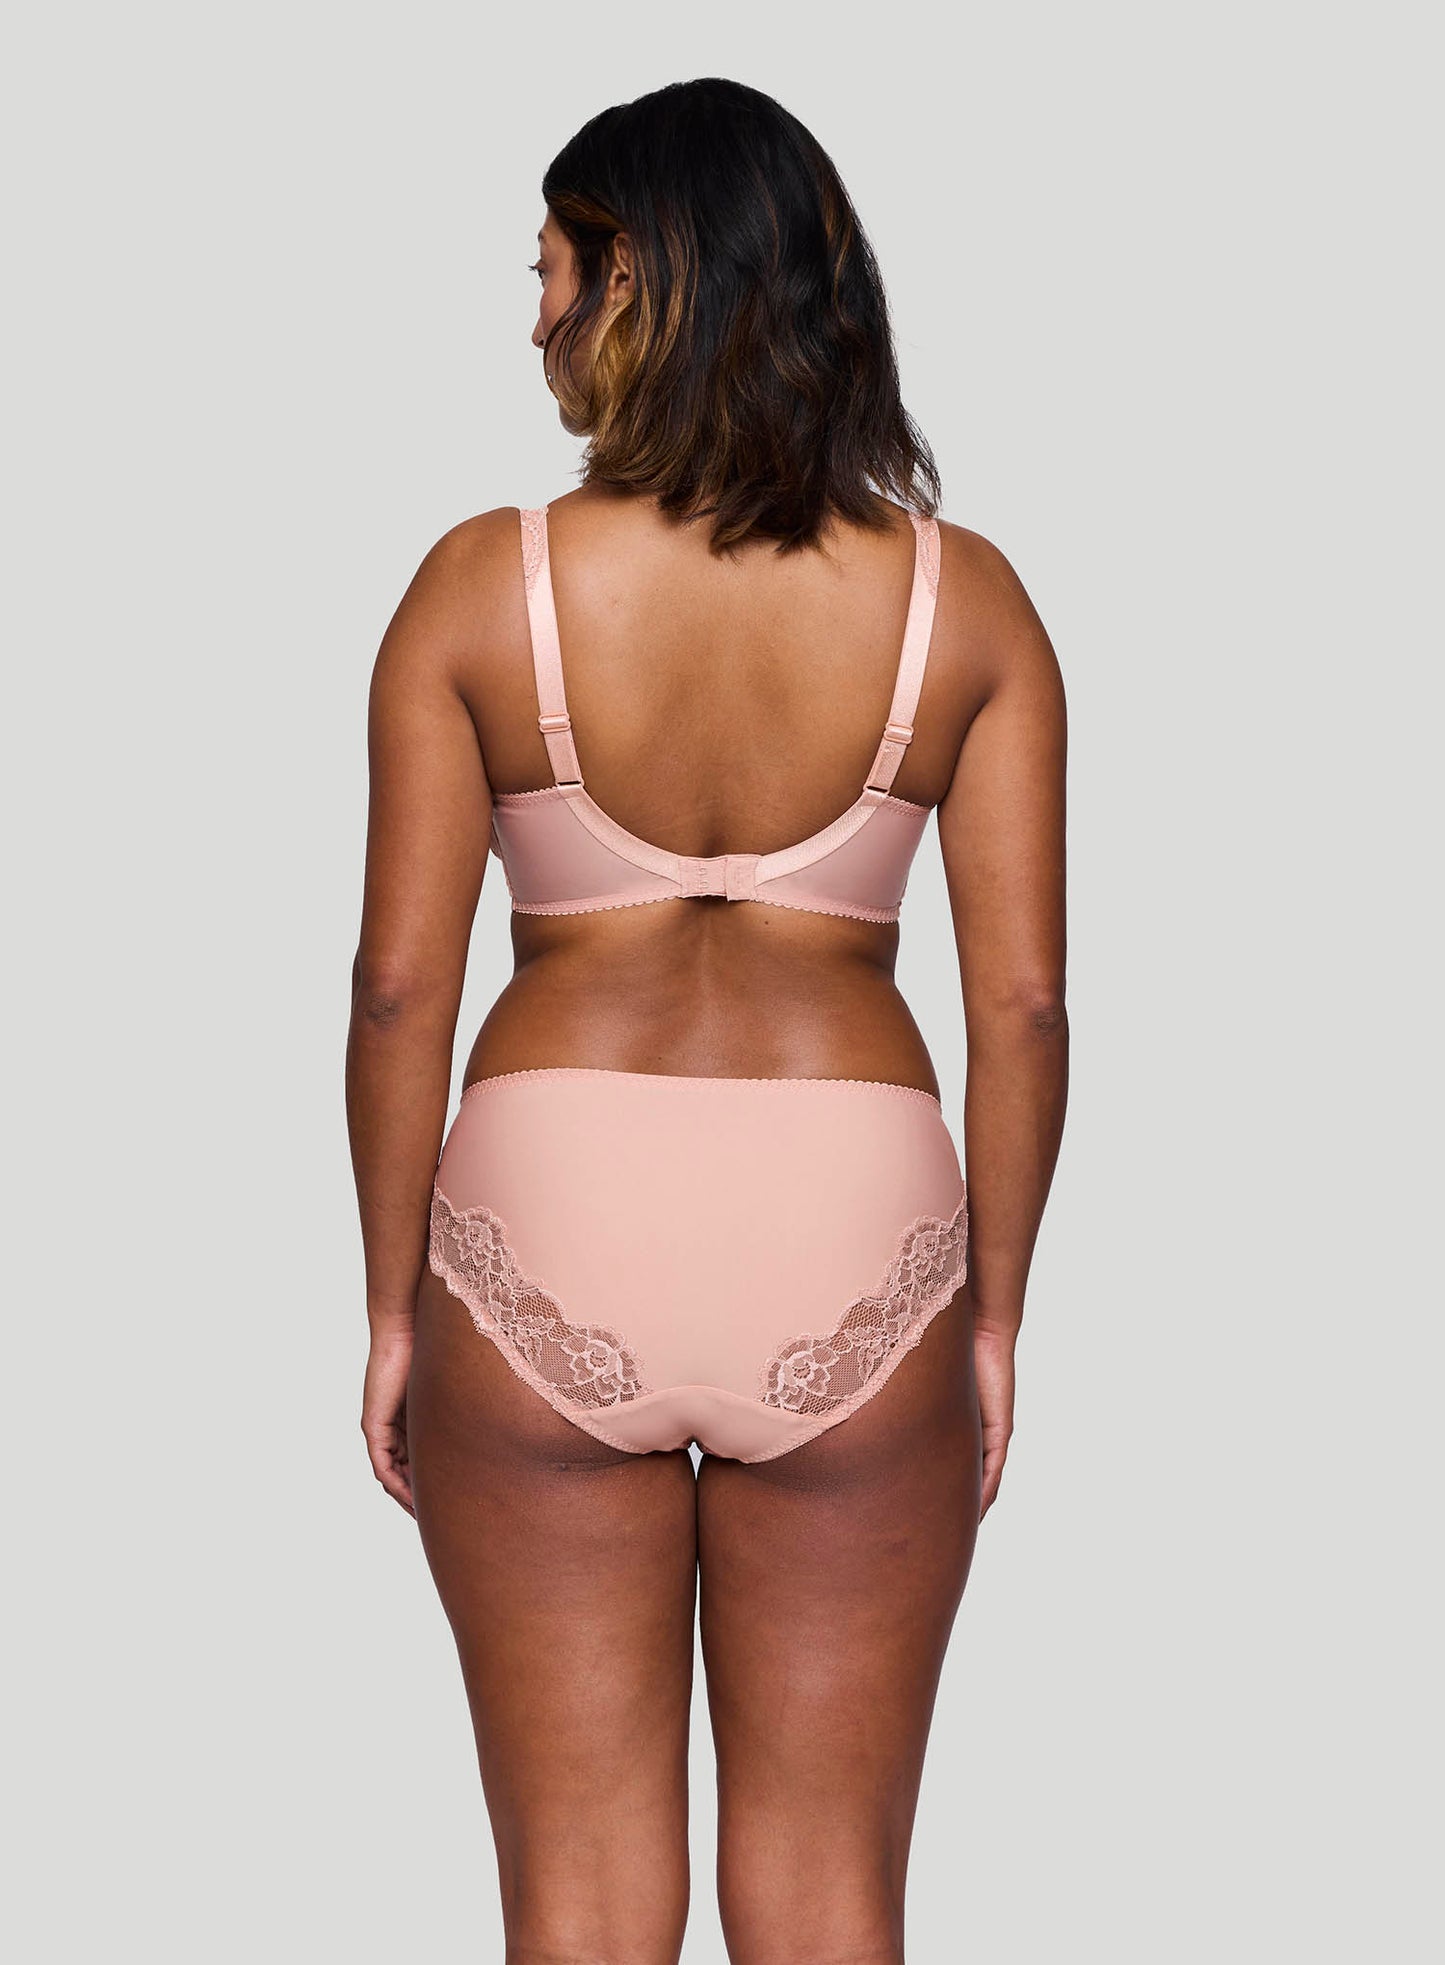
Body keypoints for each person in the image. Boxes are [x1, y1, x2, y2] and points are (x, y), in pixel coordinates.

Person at [346, 76, 1067, 1965]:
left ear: (634, 281)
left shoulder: (481, 585)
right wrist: (992, 1318)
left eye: (547, 271)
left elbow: (399, 984)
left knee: (577, 1901)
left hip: (546, 1212)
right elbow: (1021, 1004)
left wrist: (391, 1305)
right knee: (830, 1896)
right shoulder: (964, 604)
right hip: (854, 1220)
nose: (532, 322)